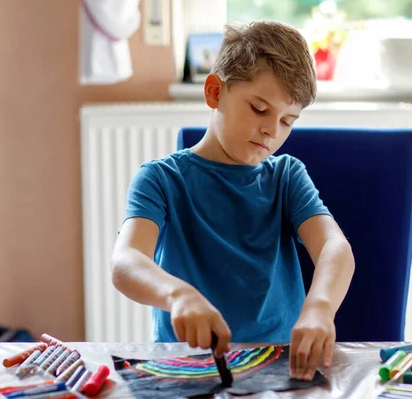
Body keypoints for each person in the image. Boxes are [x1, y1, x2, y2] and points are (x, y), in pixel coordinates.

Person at [110, 20, 355, 382]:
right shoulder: (161, 179)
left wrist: (319, 306)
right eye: (259, 109)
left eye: (288, 121)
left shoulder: (287, 176)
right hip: (189, 366)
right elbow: (126, 261)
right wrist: (176, 295)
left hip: (279, 366)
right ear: (214, 92)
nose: (273, 130)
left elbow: (335, 247)